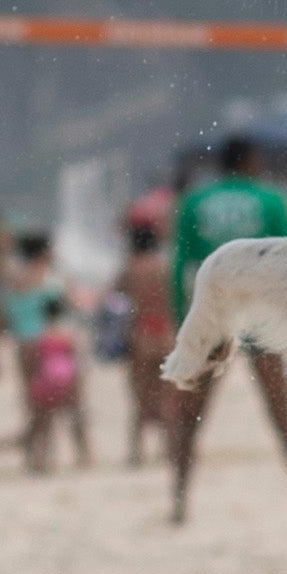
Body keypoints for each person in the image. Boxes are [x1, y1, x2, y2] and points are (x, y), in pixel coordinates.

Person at [168, 136, 287, 527]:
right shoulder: (271, 200)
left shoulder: (194, 201)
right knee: (284, 418)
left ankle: (179, 506)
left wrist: (182, 323)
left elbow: (180, 265)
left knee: (190, 420)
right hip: (260, 318)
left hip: (213, 316)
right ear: (251, 161)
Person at [7, 227, 87, 471]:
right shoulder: (52, 279)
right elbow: (70, 307)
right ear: (44, 252)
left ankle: (36, 457)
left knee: (35, 403)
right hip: (52, 344)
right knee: (72, 400)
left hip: (24, 345)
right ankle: (83, 452)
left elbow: (8, 315)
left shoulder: (15, 281)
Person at [116, 197, 181, 460]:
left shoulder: (130, 270)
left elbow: (115, 304)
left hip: (141, 336)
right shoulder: (166, 269)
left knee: (141, 399)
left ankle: (137, 451)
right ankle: (169, 449)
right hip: (167, 335)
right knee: (168, 397)